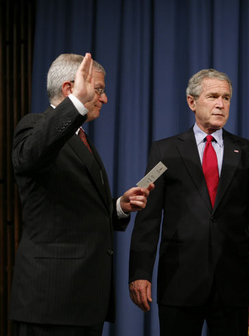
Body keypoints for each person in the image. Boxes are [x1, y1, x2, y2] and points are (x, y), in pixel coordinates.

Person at [10, 53, 153, 336]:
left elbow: (76, 210)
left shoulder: (80, 138)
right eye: (98, 90)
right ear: (69, 89)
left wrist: (119, 207)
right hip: (52, 301)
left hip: (83, 300)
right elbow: (30, 156)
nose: (104, 98)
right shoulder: (35, 126)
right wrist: (76, 103)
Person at [128, 69, 249, 335]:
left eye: (226, 97)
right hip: (179, 282)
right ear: (191, 102)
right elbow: (147, 216)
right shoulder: (164, 151)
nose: (221, 104)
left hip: (232, 283)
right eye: (213, 96)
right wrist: (140, 272)